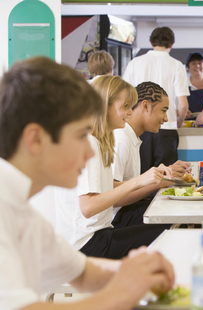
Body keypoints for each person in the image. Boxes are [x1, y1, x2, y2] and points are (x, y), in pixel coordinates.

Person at [0, 56, 174, 310]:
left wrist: (135, 271)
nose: (91, 151)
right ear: (36, 139)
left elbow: (82, 271)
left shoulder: (25, 210)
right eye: (81, 135)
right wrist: (121, 292)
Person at [55, 75, 169, 259]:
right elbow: (88, 207)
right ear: (104, 106)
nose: (130, 113)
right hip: (86, 244)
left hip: (94, 237)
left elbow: (105, 187)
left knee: (167, 226)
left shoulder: (101, 142)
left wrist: (148, 180)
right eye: (125, 106)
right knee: (168, 230)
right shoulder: (89, 143)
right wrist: (139, 181)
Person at [112, 81, 191, 228]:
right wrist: (158, 182)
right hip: (117, 217)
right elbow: (114, 198)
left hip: (127, 210)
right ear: (146, 106)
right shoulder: (121, 139)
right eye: (163, 110)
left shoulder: (132, 137)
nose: (166, 118)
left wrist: (165, 172)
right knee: (177, 213)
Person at [123, 27, 189, 171]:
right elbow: (183, 104)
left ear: (151, 42)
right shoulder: (177, 65)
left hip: (140, 128)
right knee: (167, 177)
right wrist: (179, 121)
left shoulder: (135, 62)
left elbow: (125, 97)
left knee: (140, 176)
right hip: (167, 129)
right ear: (171, 44)